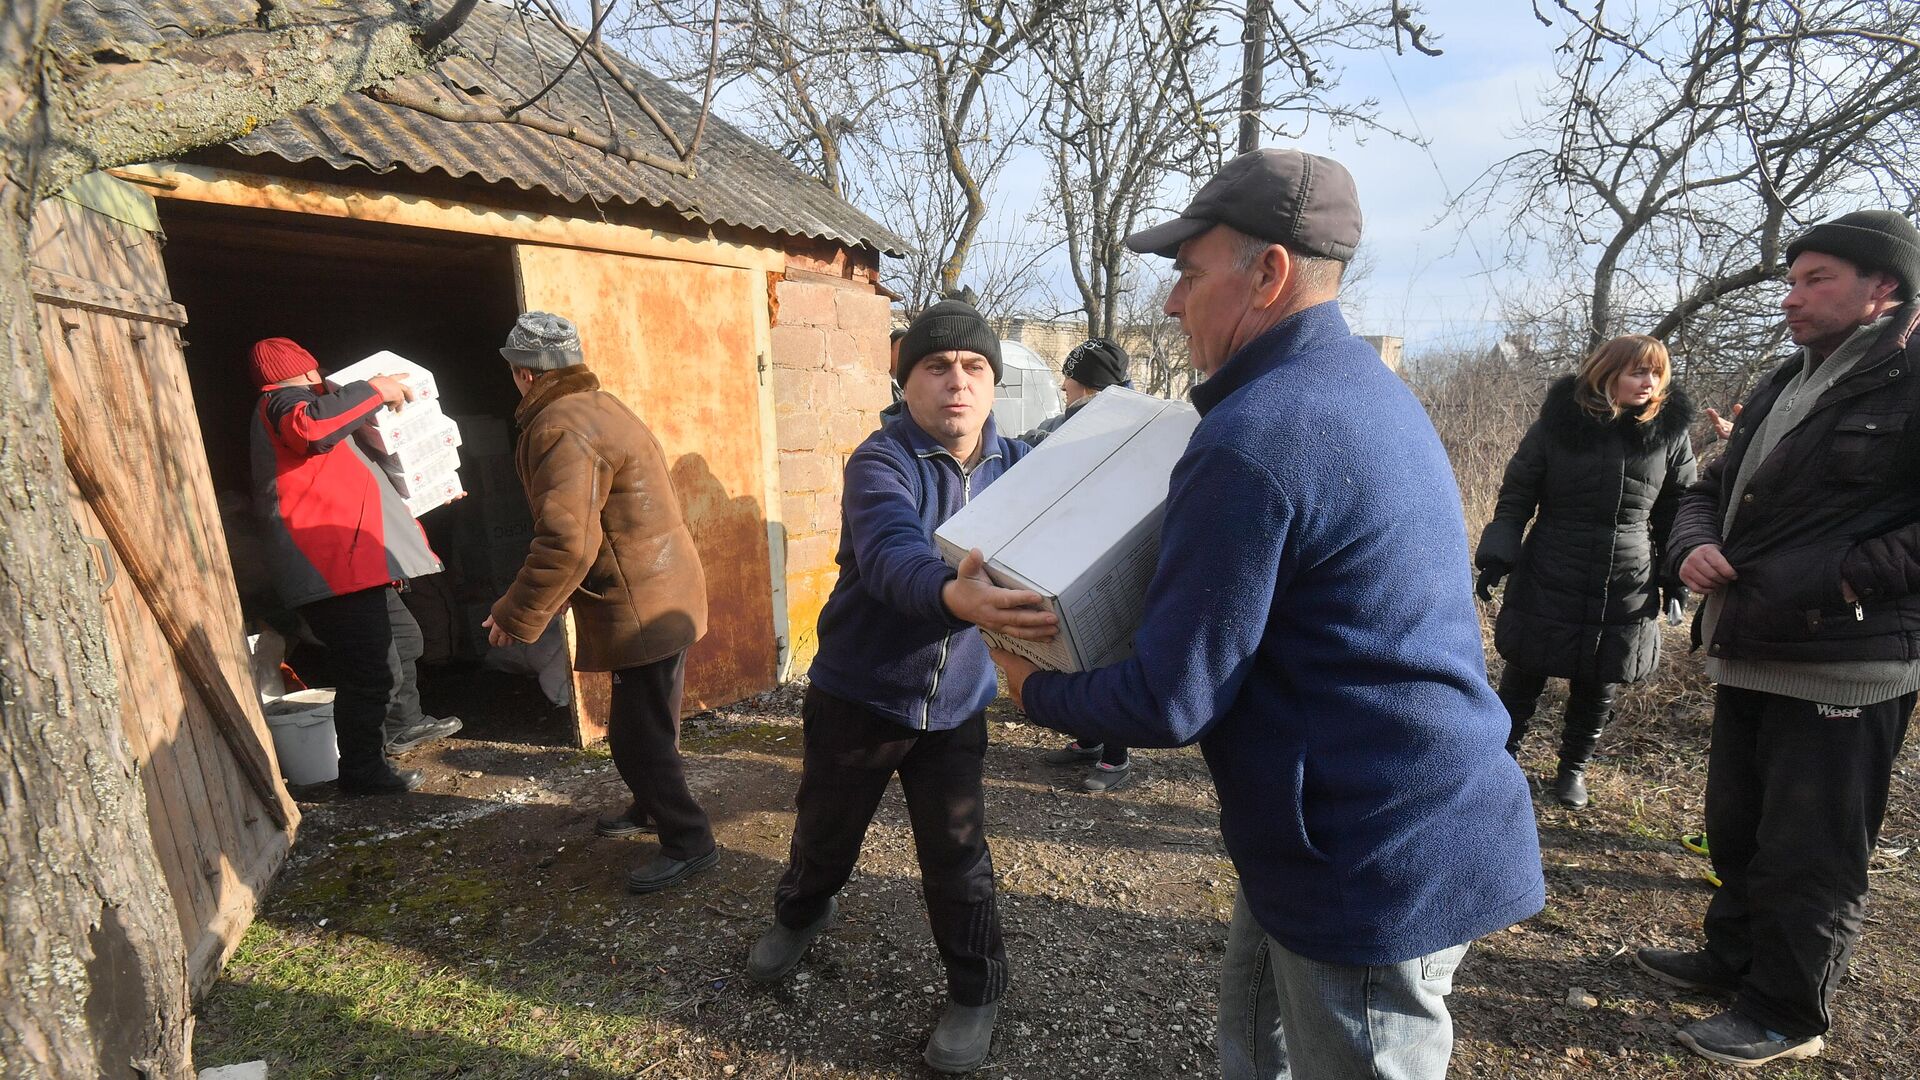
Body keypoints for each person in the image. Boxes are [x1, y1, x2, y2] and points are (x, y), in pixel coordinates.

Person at [986, 148, 1544, 1080]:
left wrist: (1035, 690)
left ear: (1270, 274)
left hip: (1366, 854)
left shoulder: (1257, 436)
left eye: (1188, 275)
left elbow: (1172, 699)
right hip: (1344, 822)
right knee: (1253, 1044)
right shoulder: (1358, 390)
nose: (1169, 303)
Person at [1634, 209, 1920, 1067]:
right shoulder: (1784, 381)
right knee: (1739, 826)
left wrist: (1842, 576)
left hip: (1847, 660)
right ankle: (1733, 958)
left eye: (1815, 279)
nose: (1791, 297)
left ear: (1885, 290)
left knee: (1812, 851)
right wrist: (1690, 545)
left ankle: (1786, 1012)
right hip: (1753, 644)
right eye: (1790, 281)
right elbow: (1706, 488)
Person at [743, 299, 1058, 1075]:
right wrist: (957, 595)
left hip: (956, 708)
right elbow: (889, 553)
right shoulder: (882, 461)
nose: (958, 381)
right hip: (860, 693)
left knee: (958, 856)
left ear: (993, 385)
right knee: (826, 835)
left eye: (974, 367)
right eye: (937, 366)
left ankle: (977, 990)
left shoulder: (1020, 467)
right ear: (907, 380)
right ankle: (802, 912)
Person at [482, 313, 716, 894]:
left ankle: (689, 840)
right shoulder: (600, 404)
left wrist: (516, 614)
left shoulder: (559, 425)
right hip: (661, 590)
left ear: (523, 374)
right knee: (650, 720)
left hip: (642, 600)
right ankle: (649, 808)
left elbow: (566, 541)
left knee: (637, 736)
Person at [1474, 335, 1698, 809]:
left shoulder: (1669, 433)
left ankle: (1572, 768)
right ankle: (1501, 761)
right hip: (1553, 560)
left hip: (1627, 570)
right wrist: (1497, 555)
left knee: (1601, 677)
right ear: (1607, 372)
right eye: (1639, 371)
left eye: (1657, 373)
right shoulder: (1558, 424)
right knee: (1525, 669)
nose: (1650, 382)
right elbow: (1517, 494)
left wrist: (1675, 575)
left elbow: (1679, 508)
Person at [248, 337, 462, 795]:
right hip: (329, 568)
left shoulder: (316, 414)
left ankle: (403, 725)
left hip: (357, 564)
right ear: (309, 372)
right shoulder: (285, 402)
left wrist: (435, 489)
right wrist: (373, 388)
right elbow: (308, 429)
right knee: (367, 671)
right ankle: (363, 772)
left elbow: (363, 484)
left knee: (403, 639)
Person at [1022, 337, 1140, 792]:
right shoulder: (1073, 421)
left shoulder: (1119, 425)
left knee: (1105, 654)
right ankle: (1089, 737)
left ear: (1089, 386)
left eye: (1070, 385)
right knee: (1074, 651)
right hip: (1071, 549)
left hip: (1105, 556)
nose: (1065, 392)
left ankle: (1116, 752)